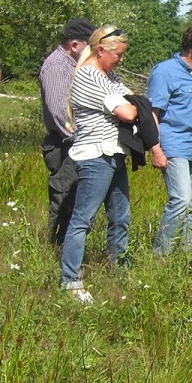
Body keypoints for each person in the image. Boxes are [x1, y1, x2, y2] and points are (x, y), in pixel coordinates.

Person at [58, 26, 138, 304]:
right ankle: (71, 281)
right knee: (83, 219)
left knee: (120, 216)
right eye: (118, 54)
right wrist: (136, 106)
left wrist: (137, 104)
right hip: (95, 156)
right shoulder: (90, 77)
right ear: (101, 50)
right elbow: (129, 110)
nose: (121, 59)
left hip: (114, 153)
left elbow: (135, 99)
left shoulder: (109, 76)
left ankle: (120, 271)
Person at [148, 26, 192, 256]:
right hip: (173, 143)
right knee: (179, 199)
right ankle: (161, 256)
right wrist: (156, 149)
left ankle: (185, 255)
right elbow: (153, 113)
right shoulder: (165, 72)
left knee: (190, 204)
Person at [39, 18, 95, 246]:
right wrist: (79, 139)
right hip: (66, 143)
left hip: (75, 141)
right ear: (74, 44)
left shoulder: (73, 65)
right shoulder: (57, 67)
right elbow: (59, 111)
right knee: (64, 196)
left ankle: (68, 248)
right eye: (88, 46)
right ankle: (57, 248)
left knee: (76, 197)